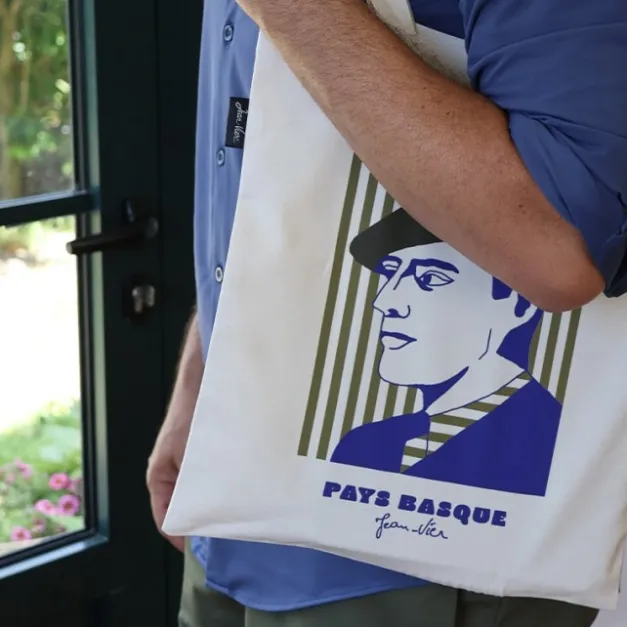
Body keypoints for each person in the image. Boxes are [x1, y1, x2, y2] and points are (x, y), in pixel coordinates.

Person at [146, 0, 627, 625]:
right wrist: (205, 376)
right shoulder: (367, 442)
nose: (387, 300)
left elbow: (562, 247)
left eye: (423, 277)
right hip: (238, 494)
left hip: (427, 562)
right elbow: (263, 144)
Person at [331, 209, 560, 496]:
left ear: (519, 304)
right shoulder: (363, 445)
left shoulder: (557, 444)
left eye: (430, 278)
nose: (385, 301)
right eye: (390, 273)